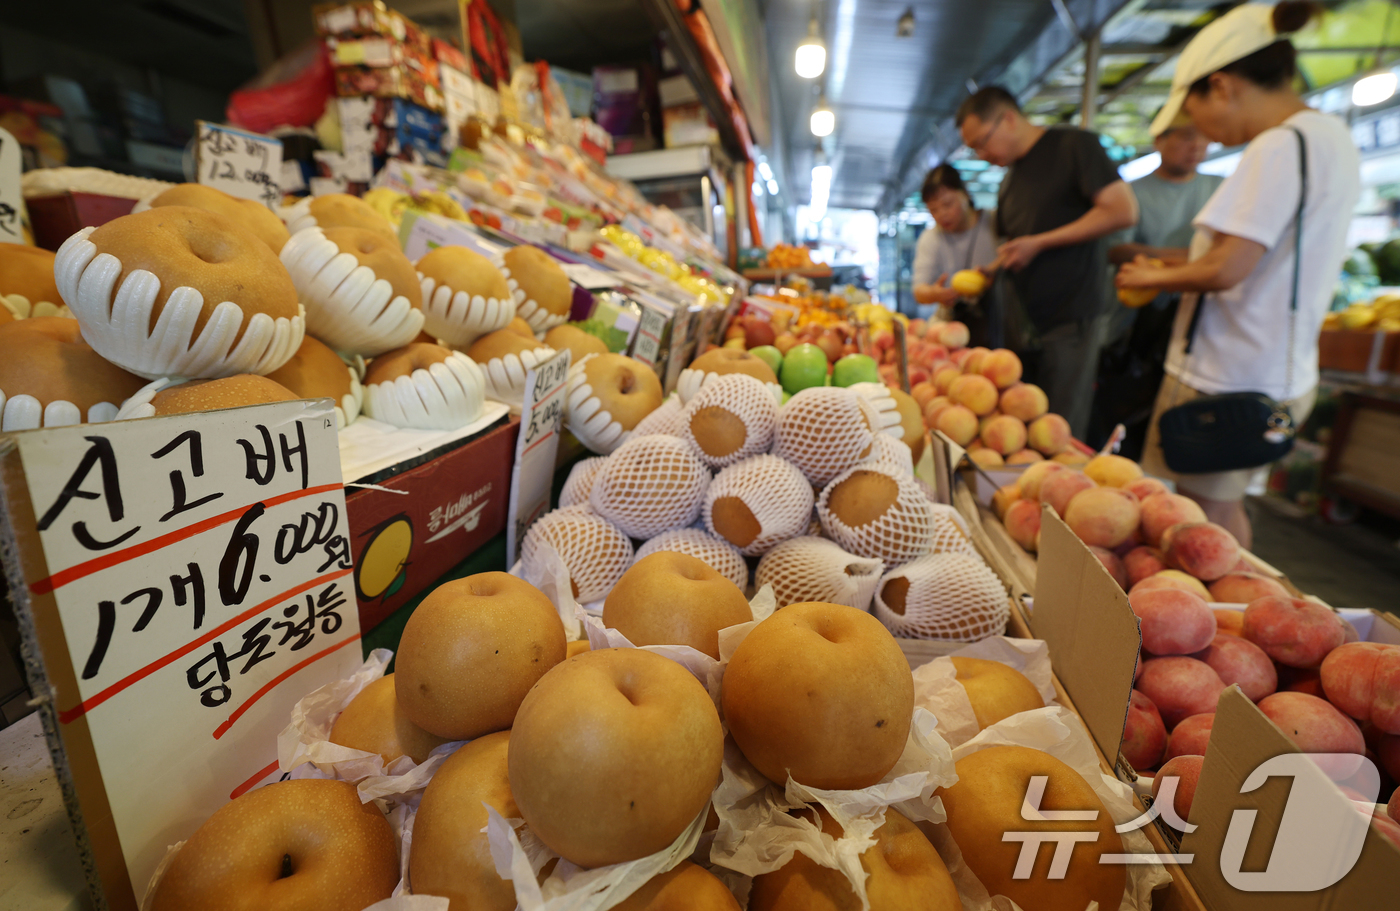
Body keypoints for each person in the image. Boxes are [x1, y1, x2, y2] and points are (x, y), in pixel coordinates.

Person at [1118, 1, 1359, 548]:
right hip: (1274, 369)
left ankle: (1225, 601)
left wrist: (1148, 278)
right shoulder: (1329, 136)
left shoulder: (1279, 144)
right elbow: (1254, 254)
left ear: (1222, 87)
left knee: (1207, 519)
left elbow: (1227, 267)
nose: (1199, 131)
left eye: (1193, 112)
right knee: (1218, 509)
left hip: (1228, 373)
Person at [957, 87, 1138, 438]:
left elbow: (1122, 210)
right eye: (974, 149)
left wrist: (1040, 243)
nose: (981, 155)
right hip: (1025, 326)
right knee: (1023, 426)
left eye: (982, 142)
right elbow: (1015, 246)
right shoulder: (1009, 182)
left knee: (1059, 429)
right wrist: (990, 271)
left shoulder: (1074, 146)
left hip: (1071, 316)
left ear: (1008, 119)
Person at [1091, 112, 1224, 455]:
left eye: (1204, 136)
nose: (1197, 146)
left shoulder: (1220, 189)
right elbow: (1118, 250)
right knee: (1123, 415)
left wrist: (1153, 259)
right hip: (1134, 328)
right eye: (1186, 136)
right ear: (1159, 140)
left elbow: (1226, 256)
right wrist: (1192, 259)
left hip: (1197, 328)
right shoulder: (1131, 192)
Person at [909, 165, 1000, 343]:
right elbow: (919, 291)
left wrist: (994, 271)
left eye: (947, 204)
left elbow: (1013, 255)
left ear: (965, 194)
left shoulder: (994, 223)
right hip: (951, 329)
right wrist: (934, 294)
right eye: (933, 210)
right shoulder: (930, 238)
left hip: (998, 323)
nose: (942, 214)